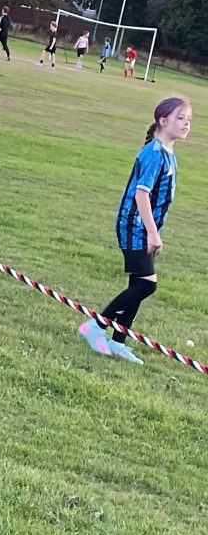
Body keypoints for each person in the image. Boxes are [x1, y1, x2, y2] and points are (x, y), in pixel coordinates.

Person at [78, 97, 191, 365]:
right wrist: (152, 232)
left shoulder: (168, 153)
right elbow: (142, 194)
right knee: (146, 284)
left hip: (145, 228)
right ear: (163, 120)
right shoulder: (154, 153)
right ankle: (95, 326)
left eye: (189, 119)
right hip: (134, 227)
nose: (186, 123)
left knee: (138, 284)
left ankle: (118, 342)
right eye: (180, 118)